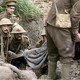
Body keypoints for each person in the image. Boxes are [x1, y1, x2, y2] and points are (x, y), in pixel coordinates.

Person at [45, 0, 79, 80]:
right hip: (61, 25)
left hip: (50, 22)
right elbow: (75, 15)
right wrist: (75, 33)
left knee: (52, 54)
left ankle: (50, 77)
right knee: (67, 56)